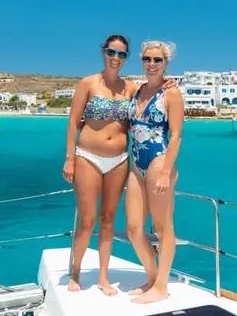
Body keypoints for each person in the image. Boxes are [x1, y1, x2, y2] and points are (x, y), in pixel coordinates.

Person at [62, 35, 176, 296]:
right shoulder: (87, 83)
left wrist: (170, 82)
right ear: (103, 52)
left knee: (108, 219)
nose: (116, 57)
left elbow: (154, 91)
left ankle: (103, 277)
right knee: (87, 220)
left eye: (122, 54)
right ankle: (76, 271)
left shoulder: (132, 88)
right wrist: (70, 158)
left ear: (126, 58)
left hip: (120, 160)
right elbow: (72, 122)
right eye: (111, 52)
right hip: (88, 156)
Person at [125, 40, 184, 304]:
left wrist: (165, 173)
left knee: (162, 228)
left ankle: (162, 287)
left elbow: (176, 137)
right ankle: (152, 278)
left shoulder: (171, 93)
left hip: (160, 163)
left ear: (166, 63)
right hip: (136, 165)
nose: (151, 64)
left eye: (157, 60)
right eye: (147, 59)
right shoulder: (137, 91)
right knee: (133, 228)